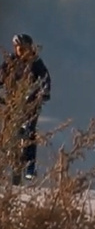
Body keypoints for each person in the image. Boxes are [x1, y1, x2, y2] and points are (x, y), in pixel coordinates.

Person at [1, 33, 51, 180]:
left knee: (29, 132)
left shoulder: (36, 63)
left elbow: (45, 79)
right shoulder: (10, 62)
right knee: (8, 133)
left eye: (24, 48)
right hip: (13, 104)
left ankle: (30, 168)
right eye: (19, 48)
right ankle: (7, 162)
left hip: (31, 104)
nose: (22, 52)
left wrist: (44, 93)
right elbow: (1, 76)